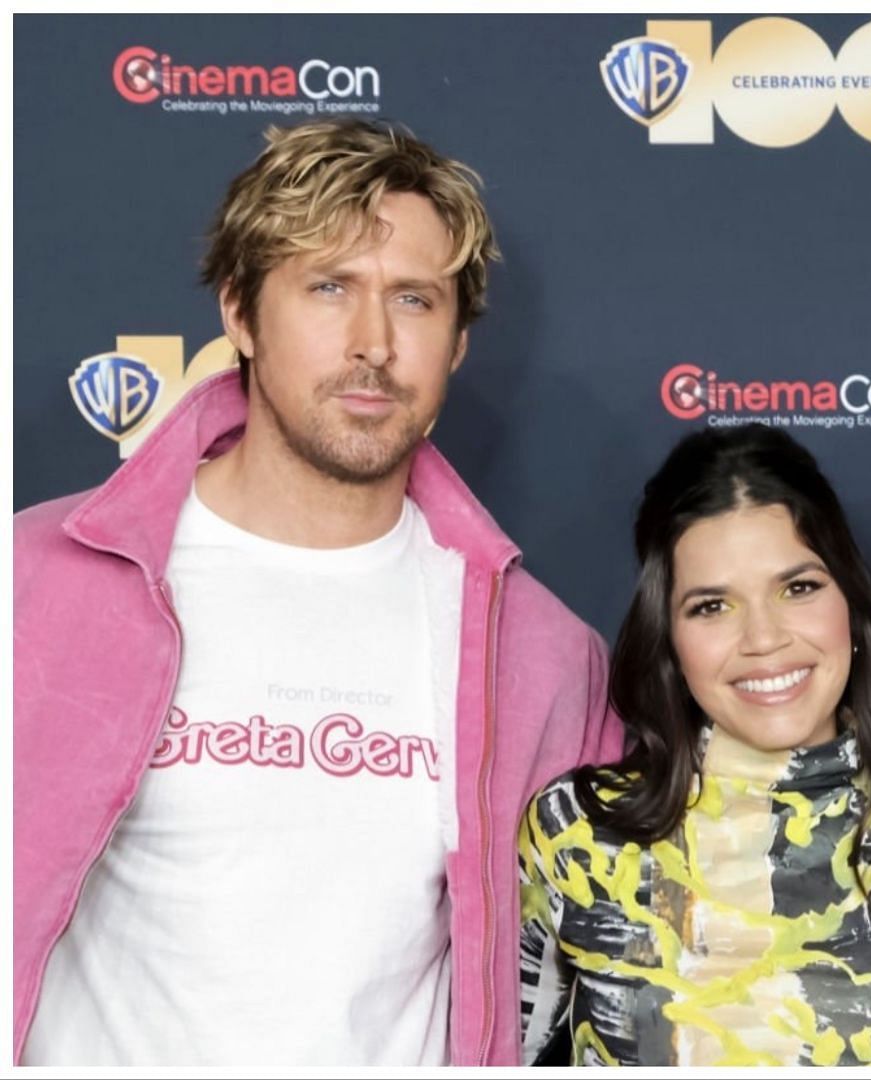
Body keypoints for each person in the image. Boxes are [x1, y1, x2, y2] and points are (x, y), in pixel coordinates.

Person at [11, 119, 623, 1066]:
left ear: (457, 344)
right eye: (329, 287)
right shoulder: (36, 583)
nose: (373, 343)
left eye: (414, 301)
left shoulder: (538, 653)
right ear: (240, 315)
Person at [517, 425, 871, 1067]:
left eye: (798, 588)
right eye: (712, 606)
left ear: (852, 600)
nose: (763, 638)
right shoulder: (578, 835)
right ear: (668, 636)